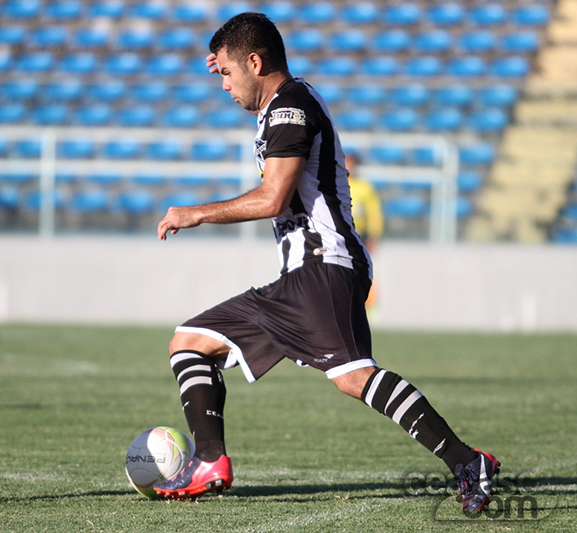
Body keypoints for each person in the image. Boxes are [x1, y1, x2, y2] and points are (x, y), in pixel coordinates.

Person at [154, 12, 499, 514]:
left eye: (229, 73)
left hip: (323, 266)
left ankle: (469, 463)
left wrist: (195, 213)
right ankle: (209, 462)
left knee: (355, 376)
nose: (223, 85)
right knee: (189, 342)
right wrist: (228, 55)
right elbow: (251, 69)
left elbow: (273, 198)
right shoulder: (284, 101)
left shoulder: (289, 108)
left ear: (256, 62)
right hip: (300, 276)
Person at [344, 152, 383, 308]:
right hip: (339, 235)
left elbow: (374, 213)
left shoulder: (364, 188)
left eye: (351, 164)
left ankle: (366, 304)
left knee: (362, 272)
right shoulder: (335, 183)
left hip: (359, 235)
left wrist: (374, 235)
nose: (349, 168)